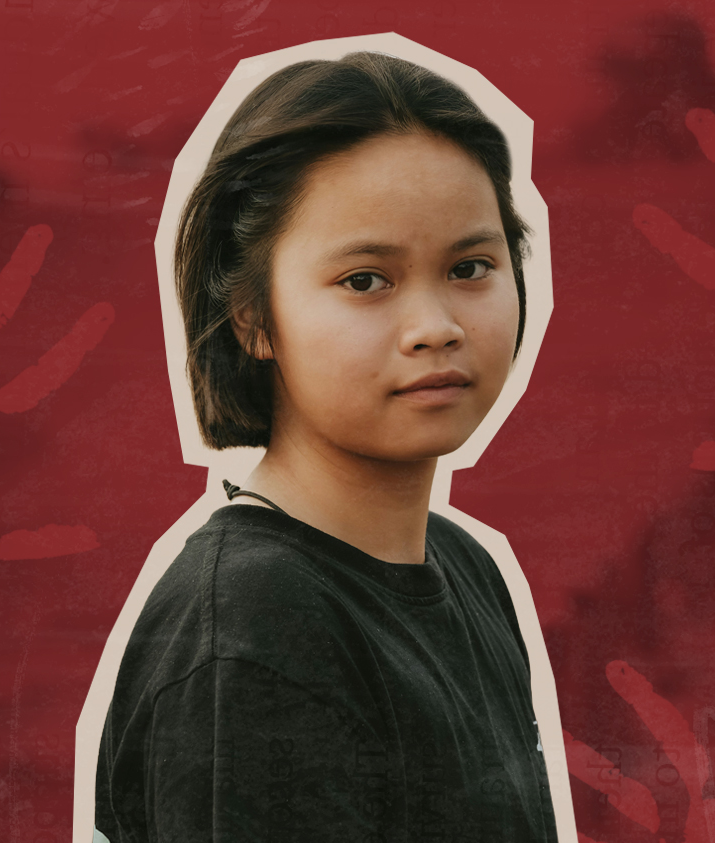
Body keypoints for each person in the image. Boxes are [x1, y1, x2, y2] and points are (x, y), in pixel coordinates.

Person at [94, 50, 558, 842]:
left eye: (470, 267)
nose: (436, 327)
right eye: (365, 280)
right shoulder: (253, 629)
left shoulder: (464, 568)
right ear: (252, 314)